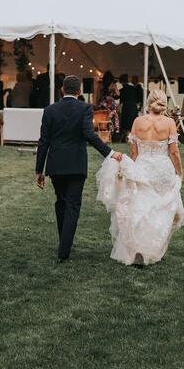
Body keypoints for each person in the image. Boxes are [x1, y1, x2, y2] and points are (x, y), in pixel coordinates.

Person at [96, 88, 184, 267]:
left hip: (143, 167)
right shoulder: (169, 122)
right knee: (160, 209)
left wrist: (134, 170)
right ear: (163, 102)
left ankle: (139, 248)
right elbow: (174, 152)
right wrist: (180, 172)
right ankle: (151, 248)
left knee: (141, 206)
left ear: (148, 102)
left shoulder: (138, 121)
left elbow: (134, 152)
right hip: (162, 169)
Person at [35, 74, 122, 263]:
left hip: (56, 164)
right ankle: (63, 250)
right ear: (80, 91)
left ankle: (63, 244)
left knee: (61, 202)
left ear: (62, 90)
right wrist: (110, 153)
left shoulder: (50, 110)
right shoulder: (84, 108)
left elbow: (43, 142)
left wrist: (39, 170)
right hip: (76, 165)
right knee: (73, 205)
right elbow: (89, 135)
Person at [96, 70, 120, 138]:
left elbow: (97, 96)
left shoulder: (100, 84)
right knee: (112, 118)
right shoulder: (113, 84)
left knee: (103, 118)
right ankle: (111, 133)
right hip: (111, 103)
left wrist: (98, 103)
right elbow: (118, 94)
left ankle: (103, 134)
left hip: (103, 103)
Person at [119, 73, 139, 141]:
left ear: (121, 82)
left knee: (126, 124)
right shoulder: (133, 88)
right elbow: (137, 99)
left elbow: (120, 100)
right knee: (132, 124)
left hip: (126, 108)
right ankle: (133, 138)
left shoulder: (121, 90)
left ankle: (127, 138)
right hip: (133, 108)